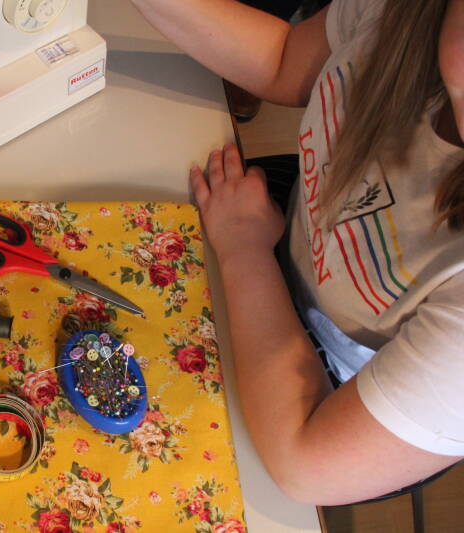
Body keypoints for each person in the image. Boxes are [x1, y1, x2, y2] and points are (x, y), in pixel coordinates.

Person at [129, 0, 464, 505]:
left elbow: (303, 465)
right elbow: (285, 59)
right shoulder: (405, 12)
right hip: (282, 225)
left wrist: (245, 249)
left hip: (326, 391)